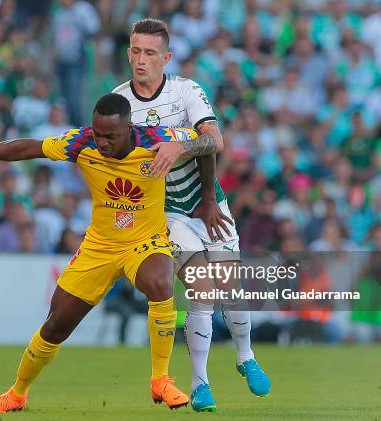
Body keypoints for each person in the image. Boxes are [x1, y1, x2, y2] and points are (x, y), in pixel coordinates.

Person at [0, 93, 220, 413]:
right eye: (98, 134)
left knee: (160, 283)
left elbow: (209, 144)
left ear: (128, 128)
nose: (103, 142)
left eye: (110, 136)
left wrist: (207, 197)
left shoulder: (158, 139)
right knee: (56, 325)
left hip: (145, 242)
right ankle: (17, 393)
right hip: (99, 247)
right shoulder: (81, 142)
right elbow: (28, 147)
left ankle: (160, 379)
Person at [112, 18, 271, 412]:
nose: (141, 59)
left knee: (230, 290)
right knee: (202, 290)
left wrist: (178, 147)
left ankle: (245, 357)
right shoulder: (118, 103)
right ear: (128, 53)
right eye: (135, 51)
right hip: (165, 212)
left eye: (150, 53)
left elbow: (215, 140)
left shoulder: (186, 91)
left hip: (209, 202)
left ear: (166, 57)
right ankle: (201, 385)